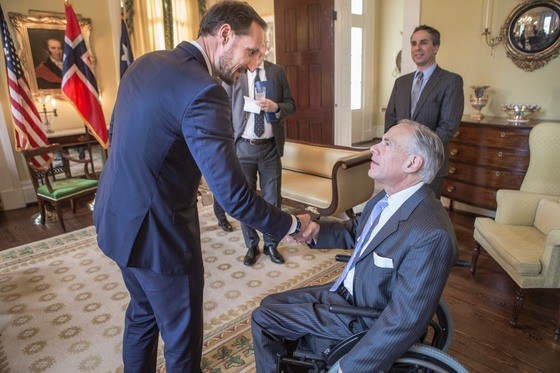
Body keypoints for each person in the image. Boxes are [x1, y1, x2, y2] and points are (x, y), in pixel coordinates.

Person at [93, 2, 309, 372]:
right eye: (251, 51)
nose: (254, 64)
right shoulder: (205, 90)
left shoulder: (144, 63)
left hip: (115, 217)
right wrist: (290, 225)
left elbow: (119, 138)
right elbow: (233, 197)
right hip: (160, 237)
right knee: (182, 340)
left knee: (142, 315)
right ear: (224, 34)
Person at [251, 120, 459, 372]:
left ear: (412, 163)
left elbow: (403, 321)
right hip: (345, 292)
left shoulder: (429, 234)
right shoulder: (386, 198)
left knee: (263, 320)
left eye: (387, 143)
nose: (374, 148)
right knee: (270, 304)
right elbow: (357, 231)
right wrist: (317, 231)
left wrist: (347, 368)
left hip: (362, 318)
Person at [214, 43, 296, 266]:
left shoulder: (276, 72)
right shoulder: (235, 73)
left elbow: (291, 105)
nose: (260, 57)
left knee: (272, 199)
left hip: (270, 147)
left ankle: (271, 244)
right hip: (243, 147)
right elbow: (222, 108)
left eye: (263, 52)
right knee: (245, 199)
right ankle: (252, 245)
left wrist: (275, 107)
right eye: (255, 52)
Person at [385, 25, 464, 198]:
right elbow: (390, 119)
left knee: (424, 215)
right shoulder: (401, 82)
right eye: (413, 43)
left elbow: (448, 126)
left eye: (423, 43)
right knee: (397, 209)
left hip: (430, 163)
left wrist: (420, 154)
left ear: (435, 47)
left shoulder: (451, 81)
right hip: (399, 161)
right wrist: (391, 149)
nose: (417, 48)